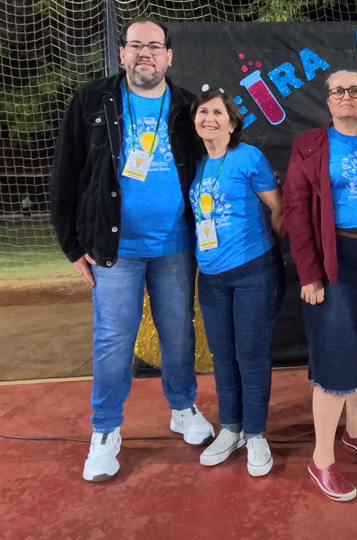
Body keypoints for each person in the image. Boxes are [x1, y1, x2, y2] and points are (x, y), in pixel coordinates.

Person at [50, 17, 213, 482]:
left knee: (179, 335)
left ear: (168, 55)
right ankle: (105, 430)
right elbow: (65, 174)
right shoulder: (91, 100)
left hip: (175, 246)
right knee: (112, 339)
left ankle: (182, 408)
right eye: (136, 45)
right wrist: (72, 245)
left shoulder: (186, 106)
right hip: (114, 249)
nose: (145, 53)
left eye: (154, 46)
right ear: (121, 53)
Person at [284, 70, 357, 502]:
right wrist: (310, 273)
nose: (346, 96)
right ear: (328, 100)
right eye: (337, 91)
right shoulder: (310, 145)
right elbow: (295, 210)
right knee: (335, 360)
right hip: (336, 262)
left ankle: (355, 432)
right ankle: (322, 459)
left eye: (354, 90)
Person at [188, 88, 285, 475]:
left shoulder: (248, 157)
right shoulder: (193, 164)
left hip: (253, 274)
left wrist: (265, 250)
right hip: (210, 278)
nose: (208, 118)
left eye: (217, 112)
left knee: (251, 355)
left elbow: (279, 207)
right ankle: (230, 429)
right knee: (222, 356)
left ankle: (257, 433)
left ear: (232, 123)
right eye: (202, 112)